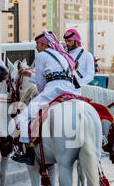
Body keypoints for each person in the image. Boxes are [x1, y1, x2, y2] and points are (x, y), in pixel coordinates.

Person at [11, 30, 78, 165]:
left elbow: (41, 82)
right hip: (70, 90)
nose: (36, 47)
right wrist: (28, 74)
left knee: (24, 117)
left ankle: (27, 153)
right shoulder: (62, 55)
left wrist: (41, 93)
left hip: (53, 90)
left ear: (43, 45)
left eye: (38, 44)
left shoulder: (42, 56)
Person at [63, 28, 95, 94]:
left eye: (69, 41)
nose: (67, 43)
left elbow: (90, 75)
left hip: (82, 90)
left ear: (76, 41)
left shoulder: (87, 55)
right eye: (66, 41)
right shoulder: (64, 55)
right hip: (65, 90)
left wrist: (77, 84)